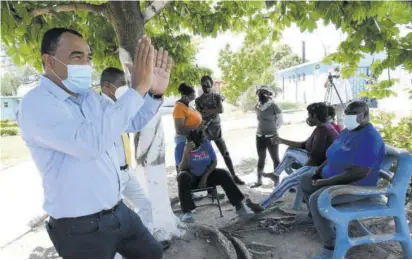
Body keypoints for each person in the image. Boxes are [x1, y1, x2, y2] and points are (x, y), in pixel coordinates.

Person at [17, 28, 172, 259]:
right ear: (49, 61)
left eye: (88, 57)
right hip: (79, 228)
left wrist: (153, 95)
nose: (87, 65)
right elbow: (89, 145)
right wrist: (136, 89)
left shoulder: (90, 98)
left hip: (118, 211)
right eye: (76, 57)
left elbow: (129, 121)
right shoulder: (36, 105)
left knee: (152, 253)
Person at [300, 101, 385, 258]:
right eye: (347, 113)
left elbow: (358, 173)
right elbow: (332, 154)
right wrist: (319, 171)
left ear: (365, 115)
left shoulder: (369, 138)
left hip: (357, 186)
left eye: (353, 114)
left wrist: (326, 182)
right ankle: (320, 222)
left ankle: (331, 246)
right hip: (335, 178)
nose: (348, 117)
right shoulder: (347, 131)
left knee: (316, 199)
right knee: (305, 179)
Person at [100, 67, 170, 251]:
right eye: (121, 84)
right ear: (107, 87)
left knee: (146, 204)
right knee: (112, 219)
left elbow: (137, 121)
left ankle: (145, 243)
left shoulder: (118, 108)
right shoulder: (100, 109)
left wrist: (155, 95)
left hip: (126, 171)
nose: (124, 88)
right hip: (110, 176)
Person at [246, 102, 338, 211]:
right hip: (317, 162)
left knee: (287, 180)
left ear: (314, 116)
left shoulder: (323, 130)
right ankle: (276, 174)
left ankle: (262, 206)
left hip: (321, 168)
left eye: (309, 115)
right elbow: (304, 144)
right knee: (290, 151)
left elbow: (315, 158)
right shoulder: (322, 128)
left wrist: (300, 171)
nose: (308, 118)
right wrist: (282, 140)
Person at [175, 129, 253, 223]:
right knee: (182, 176)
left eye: (199, 140)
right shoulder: (180, 147)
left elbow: (214, 162)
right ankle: (187, 212)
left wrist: (205, 178)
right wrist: (186, 153)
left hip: (206, 176)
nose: (198, 144)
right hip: (191, 179)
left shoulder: (205, 143)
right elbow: (182, 168)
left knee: (223, 173)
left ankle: (239, 206)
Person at [195, 75, 245, 185]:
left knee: (225, 154)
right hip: (205, 131)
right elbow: (200, 113)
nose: (206, 86)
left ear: (211, 84)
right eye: (203, 84)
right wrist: (214, 111)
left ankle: (234, 175)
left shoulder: (217, 97)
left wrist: (206, 111)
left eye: (207, 84)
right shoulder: (198, 100)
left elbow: (221, 110)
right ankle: (206, 180)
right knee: (206, 158)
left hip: (217, 130)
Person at [251, 85, 283, 188]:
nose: (261, 94)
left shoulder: (274, 106)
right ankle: (259, 180)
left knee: (275, 159)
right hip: (259, 136)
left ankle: (276, 181)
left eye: (264, 92)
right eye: (259, 92)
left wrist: (272, 130)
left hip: (272, 136)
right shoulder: (258, 106)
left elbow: (280, 121)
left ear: (269, 94)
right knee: (261, 158)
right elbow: (259, 119)